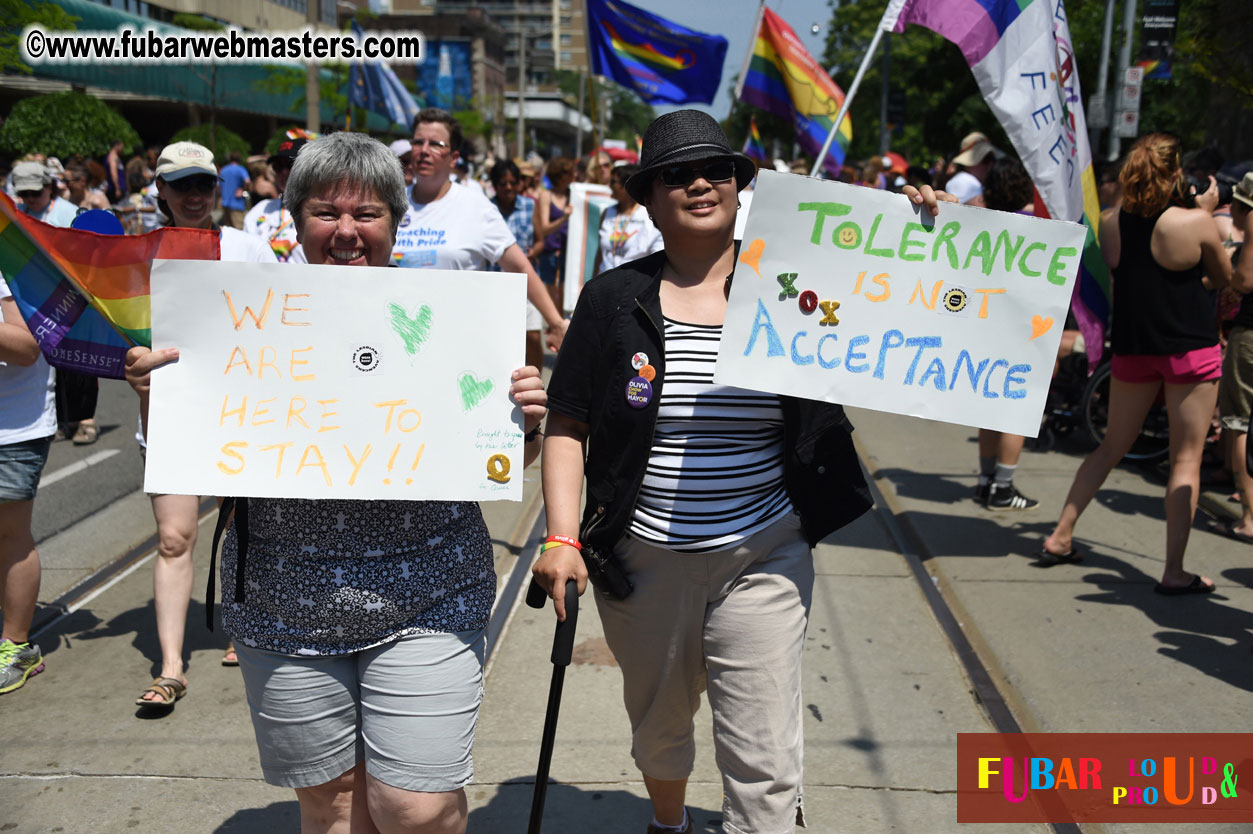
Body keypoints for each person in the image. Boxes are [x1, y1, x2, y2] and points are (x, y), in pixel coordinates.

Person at [533, 109, 950, 834]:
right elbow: (568, 425)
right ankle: (668, 823)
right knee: (660, 725)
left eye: (716, 170)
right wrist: (562, 538)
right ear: (648, 199)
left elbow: (913, 303)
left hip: (764, 552)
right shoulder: (611, 301)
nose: (700, 183)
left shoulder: (797, 287)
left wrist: (917, 231)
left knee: (764, 754)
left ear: (737, 185)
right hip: (641, 560)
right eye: (676, 174)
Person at [126, 131, 547, 833]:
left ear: (395, 222)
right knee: (332, 805)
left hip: (428, 592)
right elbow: (193, 448)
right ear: (295, 221)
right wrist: (155, 393)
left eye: (367, 213)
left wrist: (522, 424)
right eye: (325, 212)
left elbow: (504, 460)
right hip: (283, 599)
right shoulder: (239, 316)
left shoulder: (450, 317)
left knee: (416, 808)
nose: (346, 231)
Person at [1040, 134, 1236, 594]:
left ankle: (1060, 534)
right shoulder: (1195, 222)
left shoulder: (1112, 221)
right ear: (1175, 172)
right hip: (1189, 349)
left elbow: (1122, 270)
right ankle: (1174, 571)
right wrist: (1206, 214)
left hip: (1133, 347)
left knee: (1110, 446)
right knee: (1185, 459)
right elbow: (1223, 278)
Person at [130, 141, 277, 708]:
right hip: (169, 414)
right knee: (174, 537)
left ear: (217, 188)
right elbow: (125, 335)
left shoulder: (247, 246)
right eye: (181, 185)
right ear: (161, 191)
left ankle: (244, 625)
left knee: (243, 528)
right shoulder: (140, 254)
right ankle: (171, 667)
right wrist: (133, 366)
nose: (194, 195)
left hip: (242, 412)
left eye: (203, 184)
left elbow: (284, 315)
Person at [393, 108, 568, 350]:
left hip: (457, 342)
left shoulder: (476, 207)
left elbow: (520, 267)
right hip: (398, 337)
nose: (424, 150)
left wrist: (556, 323)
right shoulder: (391, 204)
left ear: (453, 158)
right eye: (418, 142)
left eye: (435, 144)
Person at [972, 157, 1040, 510]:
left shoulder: (978, 220)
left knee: (988, 409)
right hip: (1021, 328)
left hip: (985, 325)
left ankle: (985, 482)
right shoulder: (1040, 228)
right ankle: (1003, 488)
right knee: (1016, 409)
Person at [0, 271, 55, 694]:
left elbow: (26, 347)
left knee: (9, 535)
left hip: (13, 427)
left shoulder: (10, 264)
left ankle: (17, 646)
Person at [1217, 173, 1253, 541]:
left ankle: (1249, 516)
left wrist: (1225, 264)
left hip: (1250, 336)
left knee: (1239, 423)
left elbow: (1244, 281)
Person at [489, 159, 545, 371]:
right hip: (497, 282)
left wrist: (532, 254)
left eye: (513, 182)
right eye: (503, 183)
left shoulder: (530, 206)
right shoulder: (487, 208)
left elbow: (540, 241)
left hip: (527, 281)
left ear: (519, 183)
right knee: (501, 337)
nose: (508, 187)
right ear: (495, 185)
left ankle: (538, 379)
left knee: (533, 337)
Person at [243, 137, 309, 263]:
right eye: (278, 166)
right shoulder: (259, 210)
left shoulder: (323, 214)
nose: (284, 172)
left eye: (290, 164)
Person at [597, 163, 662, 273]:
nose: (609, 186)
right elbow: (600, 253)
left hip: (633, 280)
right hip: (605, 279)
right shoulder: (607, 213)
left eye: (613, 182)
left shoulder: (648, 214)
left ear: (626, 186)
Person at [534, 157, 575, 313]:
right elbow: (544, 228)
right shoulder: (546, 195)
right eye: (570, 173)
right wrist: (563, 218)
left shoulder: (574, 194)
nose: (573, 176)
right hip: (550, 253)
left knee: (565, 295)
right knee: (551, 297)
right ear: (561, 175)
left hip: (568, 254)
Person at [945, 131, 998, 206]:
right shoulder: (964, 180)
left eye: (992, 159)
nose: (990, 164)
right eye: (986, 159)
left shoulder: (967, 180)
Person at [219, 152, 251, 229]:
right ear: (239, 160)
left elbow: (218, 186)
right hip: (237, 203)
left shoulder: (223, 170)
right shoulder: (240, 169)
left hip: (225, 203)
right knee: (239, 229)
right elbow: (247, 181)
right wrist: (243, 190)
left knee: (227, 230)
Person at [104, 140, 127, 204]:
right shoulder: (113, 157)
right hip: (115, 189)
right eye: (121, 147)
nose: (122, 149)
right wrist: (117, 189)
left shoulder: (112, 156)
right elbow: (113, 173)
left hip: (115, 188)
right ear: (117, 146)